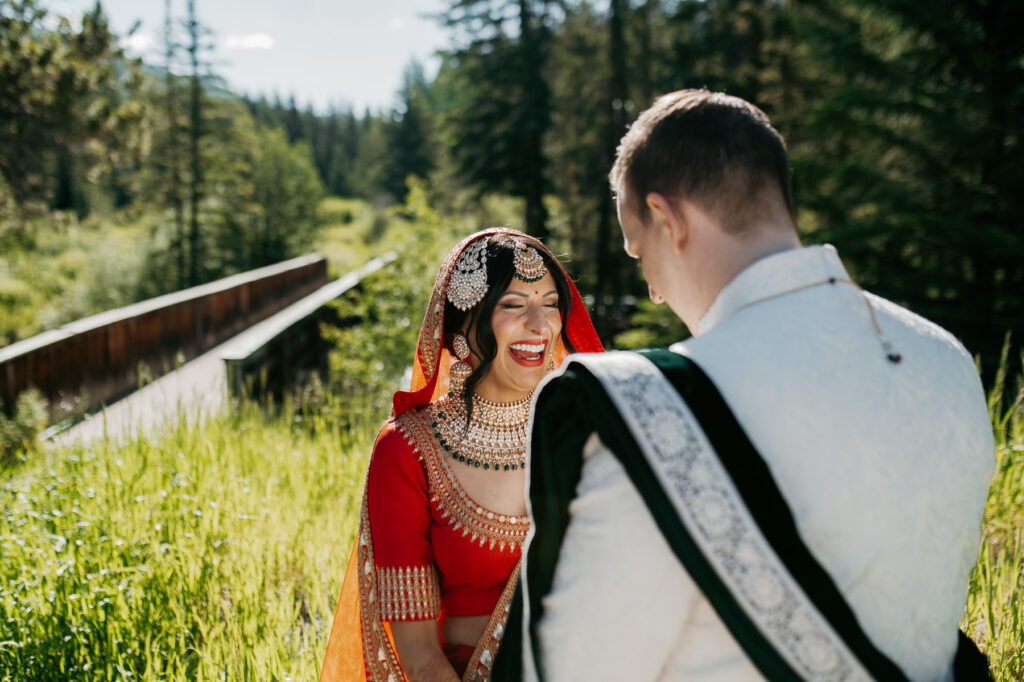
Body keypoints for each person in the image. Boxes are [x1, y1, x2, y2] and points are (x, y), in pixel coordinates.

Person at [494, 90, 995, 681]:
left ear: (667, 220)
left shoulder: (653, 409)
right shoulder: (948, 359)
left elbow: (577, 670)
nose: (653, 290)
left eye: (640, 251)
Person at [319, 229, 603, 682]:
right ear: (462, 325)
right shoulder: (409, 450)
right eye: (513, 305)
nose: (540, 324)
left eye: (550, 303)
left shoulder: (587, 434)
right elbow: (418, 656)